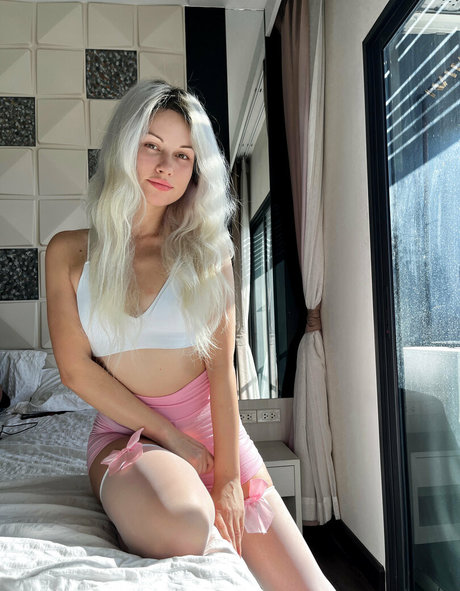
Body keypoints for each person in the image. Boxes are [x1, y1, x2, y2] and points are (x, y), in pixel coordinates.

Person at [46, 79, 335, 591]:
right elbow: (74, 371)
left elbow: (221, 371)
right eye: (152, 146)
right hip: (128, 436)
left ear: (196, 169)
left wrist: (228, 478)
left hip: (214, 433)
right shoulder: (69, 253)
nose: (166, 167)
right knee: (183, 522)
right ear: (124, 146)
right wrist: (170, 436)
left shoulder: (209, 252)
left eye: (183, 155)